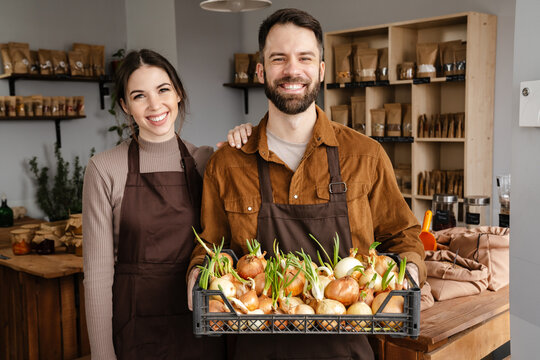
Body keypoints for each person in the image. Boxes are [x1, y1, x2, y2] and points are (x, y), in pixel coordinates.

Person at [188, 8, 426, 360]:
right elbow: (212, 247)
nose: (292, 70)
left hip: (347, 352)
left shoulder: (366, 156)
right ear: (261, 70)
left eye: (304, 58)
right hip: (256, 352)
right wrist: (200, 277)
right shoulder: (228, 165)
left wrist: (406, 278)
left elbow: (405, 236)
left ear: (321, 70)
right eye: (278, 58)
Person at [82, 49, 251, 360]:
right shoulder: (104, 168)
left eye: (163, 90)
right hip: (136, 330)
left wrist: (248, 137)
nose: (154, 105)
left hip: (201, 328)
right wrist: (102, 355)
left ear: (178, 94)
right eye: (139, 96)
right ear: (125, 105)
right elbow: (97, 276)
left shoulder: (206, 161)